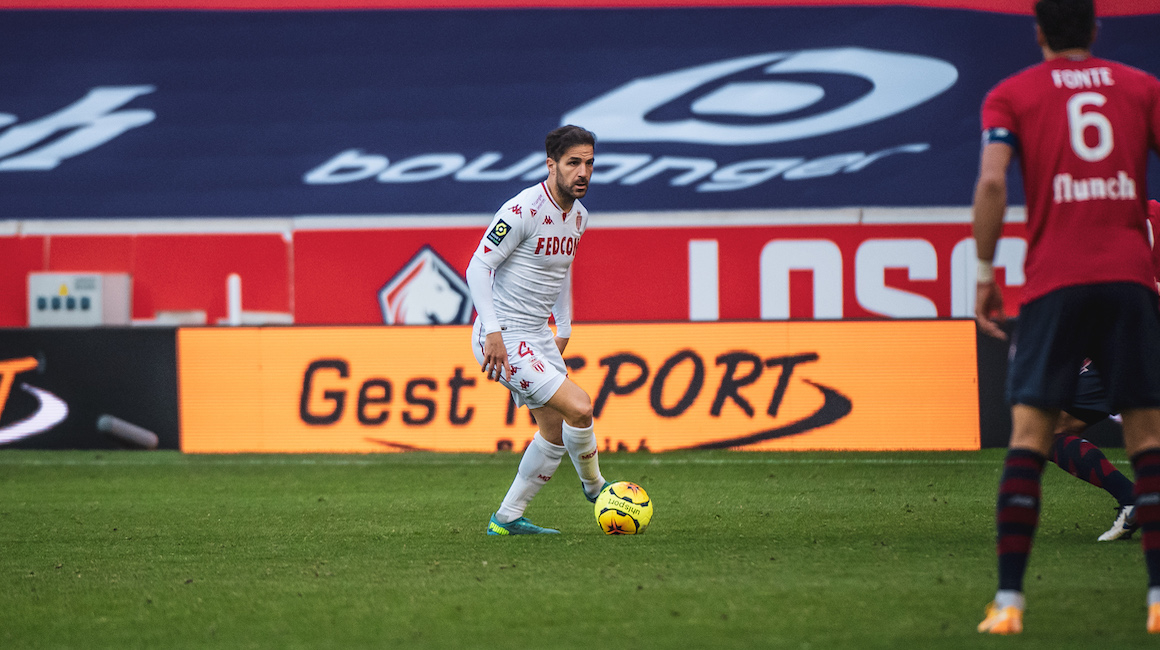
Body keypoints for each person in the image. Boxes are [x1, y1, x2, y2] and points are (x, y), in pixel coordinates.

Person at [972, 0, 1160, 634]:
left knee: (1030, 436)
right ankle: (1158, 598)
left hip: (1056, 280)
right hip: (1132, 283)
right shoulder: (1142, 88)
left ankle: (1008, 603)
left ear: (1038, 33)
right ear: (1096, 29)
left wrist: (984, 273)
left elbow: (992, 184)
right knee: (1148, 440)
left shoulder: (1012, 94)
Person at [466, 125, 609, 535]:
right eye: (573, 163)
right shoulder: (522, 210)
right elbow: (478, 266)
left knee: (554, 431)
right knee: (580, 408)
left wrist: (563, 326)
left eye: (589, 163)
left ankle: (506, 519)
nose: (583, 172)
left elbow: (560, 271)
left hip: (536, 334)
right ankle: (597, 489)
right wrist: (492, 332)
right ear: (551, 165)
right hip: (504, 335)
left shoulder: (578, 217)